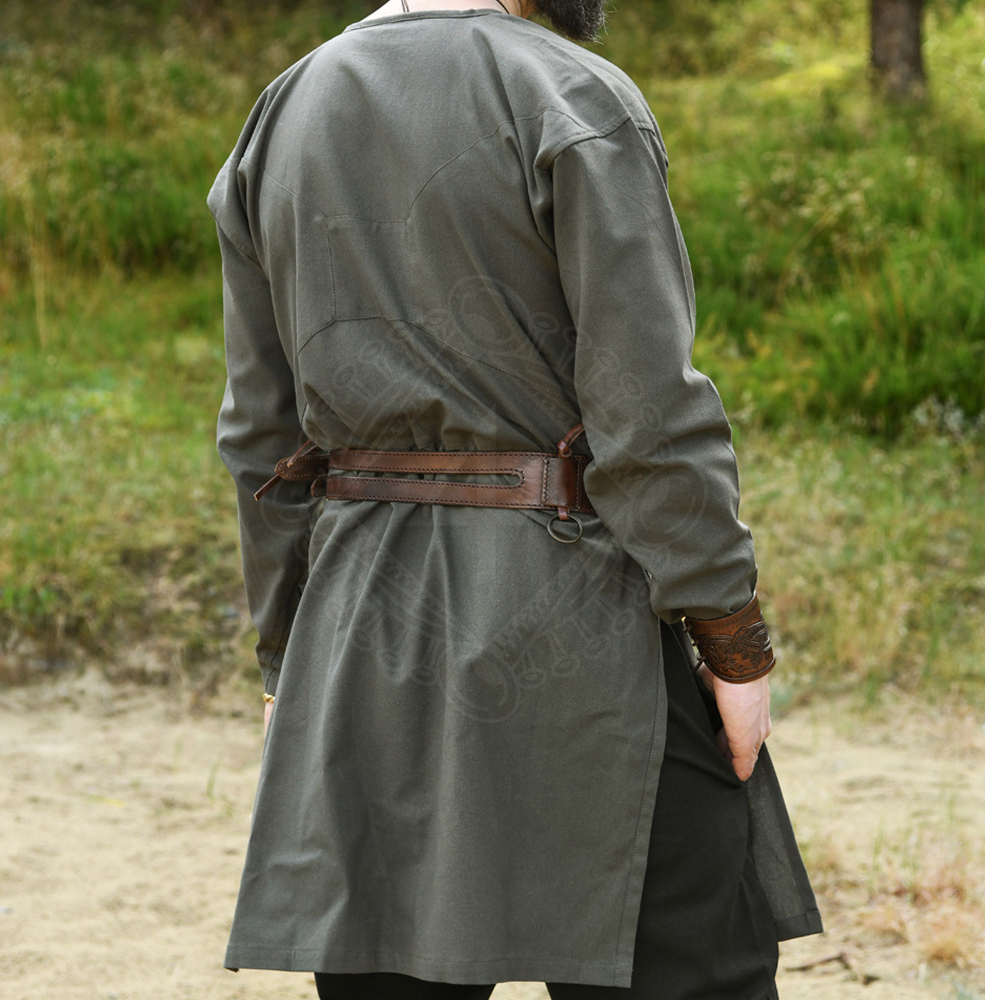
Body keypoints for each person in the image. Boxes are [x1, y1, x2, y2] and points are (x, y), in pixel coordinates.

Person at [209, 0, 823, 997]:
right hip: (579, 620)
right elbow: (648, 413)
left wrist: (288, 652)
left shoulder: (283, 112)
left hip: (363, 633)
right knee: (691, 962)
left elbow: (260, 437)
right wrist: (731, 637)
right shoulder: (570, 96)